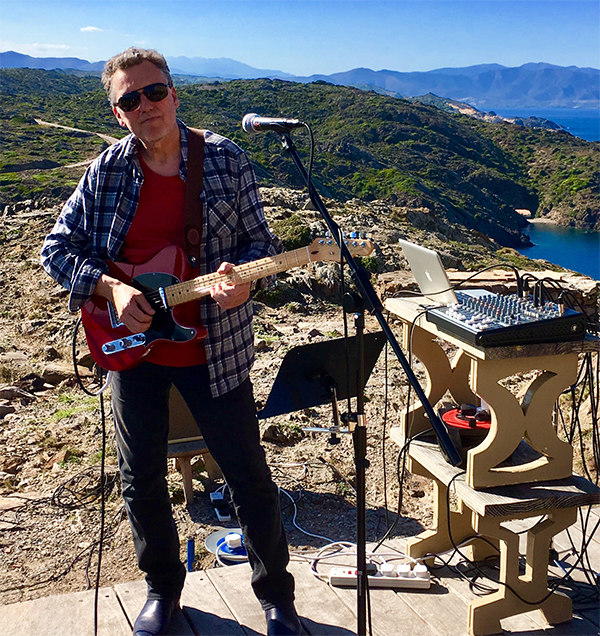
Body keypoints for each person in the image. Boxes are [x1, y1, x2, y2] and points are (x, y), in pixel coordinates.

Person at [41, 47, 304, 636]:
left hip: (215, 350)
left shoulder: (225, 161)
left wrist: (244, 285)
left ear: (174, 94)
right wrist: (109, 289)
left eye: (154, 91)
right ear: (117, 113)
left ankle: (276, 598)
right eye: (129, 99)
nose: (145, 105)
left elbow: (260, 244)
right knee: (141, 478)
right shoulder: (105, 172)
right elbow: (55, 250)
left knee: (247, 473)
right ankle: (162, 590)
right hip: (131, 351)